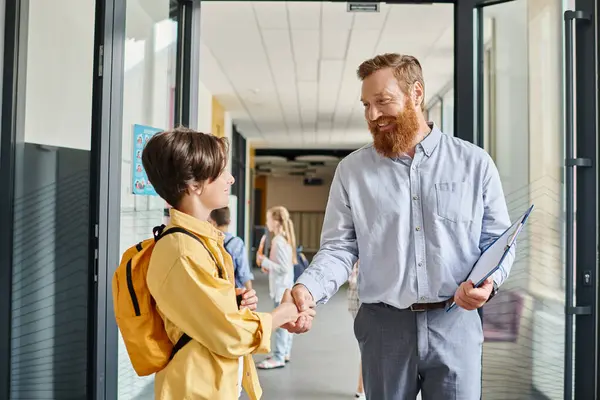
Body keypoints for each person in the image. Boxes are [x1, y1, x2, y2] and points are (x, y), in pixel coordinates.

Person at [288, 53, 515, 399]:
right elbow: (339, 248)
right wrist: (308, 288)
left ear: (417, 94)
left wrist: (490, 282)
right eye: (366, 104)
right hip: (383, 327)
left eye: (382, 102)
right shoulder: (352, 172)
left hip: (455, 322)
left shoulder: (474, 164)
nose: (372, 115)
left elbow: (498, 241)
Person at [141, 127, 304, 400]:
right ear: (193, 185)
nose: (230, 178)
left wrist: (231, 303)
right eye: (220, 173)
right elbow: (230, 333)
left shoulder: (198, 241)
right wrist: (283, 314)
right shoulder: (183, 250)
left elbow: (200, 315)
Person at [255, 206, 297, 370]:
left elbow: (283, 268)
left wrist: (263, 261)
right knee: (286, 322)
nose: (267, 223)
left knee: (280, 324)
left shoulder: (278, 241)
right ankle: (284, 353)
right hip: (285, 288)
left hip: (281, 290)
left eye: (268, 219)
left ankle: (279, 357)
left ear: (276, 221)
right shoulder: (284, 239)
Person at [209, 206, 254, 290]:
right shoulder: (237, 243)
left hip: (214, 289)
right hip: (233, 290)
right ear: (229, 222)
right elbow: (244, 274)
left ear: (213, 222)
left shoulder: (209, 241)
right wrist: (250, 292)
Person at [347, 261, 365, 400]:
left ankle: (361, 388)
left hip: (358, 304)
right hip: (361, 305)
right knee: (367, 351)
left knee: (366, 351)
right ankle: (361, 389)